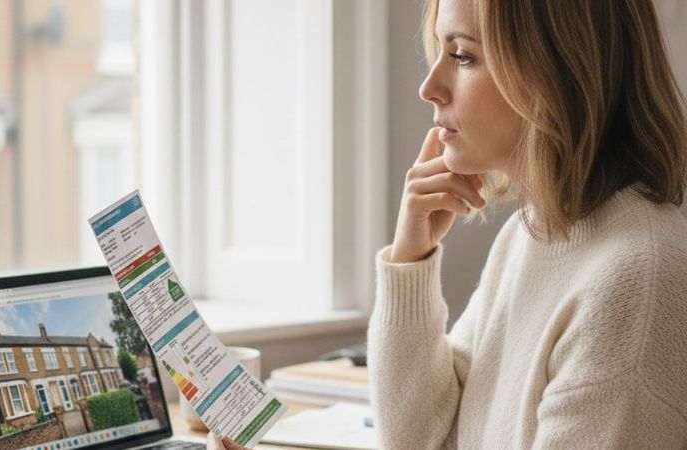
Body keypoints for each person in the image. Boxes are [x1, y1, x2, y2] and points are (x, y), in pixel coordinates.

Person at [209, 0, 687, 448]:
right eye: (441, 51)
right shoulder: (531, 234)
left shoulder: (634, 280)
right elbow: (420, 438)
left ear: (556, 70)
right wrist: (409, 259)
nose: (429, 86)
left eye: (461, 56)